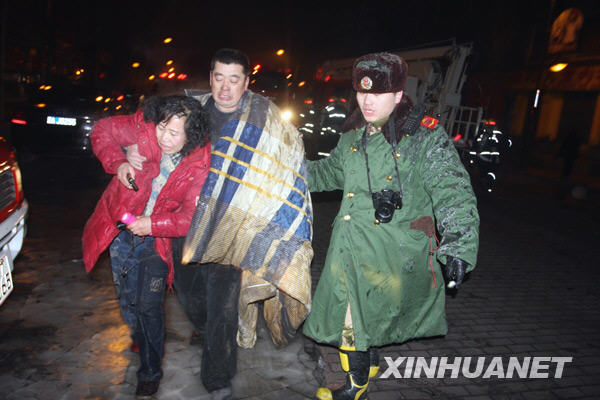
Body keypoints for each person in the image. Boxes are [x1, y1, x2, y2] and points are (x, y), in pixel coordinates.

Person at [132, 49, 312, 400]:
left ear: (246, 82)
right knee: (190, 299)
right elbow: (147, 136)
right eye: (219, 78)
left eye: (234, 80)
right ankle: (208, 331)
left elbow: (288, 160)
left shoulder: (265, 118)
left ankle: (218, 378)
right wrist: (130, 153)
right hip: (185, 226)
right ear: (210, 77)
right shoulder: (191, 110)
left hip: (232, 228)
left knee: (223, 309)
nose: (225, 88)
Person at [302, 52, 480, 400]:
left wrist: (459, 244)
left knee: (352, 321)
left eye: (378, 93)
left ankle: (355, 387)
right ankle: (366, 368)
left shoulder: (424, 137)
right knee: (352, 313)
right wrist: (286, 170)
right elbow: (326, 174)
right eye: (361, 92)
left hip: (392, 254)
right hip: (349, 247)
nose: (367, 101)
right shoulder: (353, 136)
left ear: (399, 94)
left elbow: (453, 191)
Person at [82, 95, 211, 399]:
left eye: (174, 133)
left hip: (156, 241)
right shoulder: (143, 128)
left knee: (148, 307)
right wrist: (119, 162)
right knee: (127, 299)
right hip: (120, 230)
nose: (164, 138)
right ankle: (140, 335)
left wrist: (152, 224)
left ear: (190, 134)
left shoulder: (200, 164)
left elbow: (190, 218)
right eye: (162, 128)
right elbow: (101, 131)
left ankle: (150, 372)